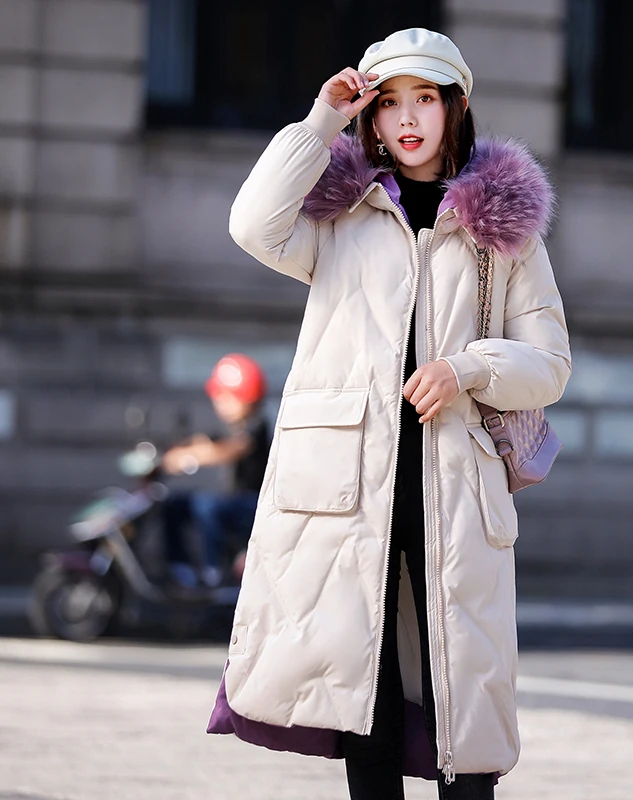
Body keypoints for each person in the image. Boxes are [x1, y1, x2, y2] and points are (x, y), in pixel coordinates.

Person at [207, 27, 571, 800]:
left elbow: (550, 363)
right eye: (390, 102)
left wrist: (467, 368)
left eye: (425, 99)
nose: (407, 118)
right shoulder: (339, 216)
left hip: (456, 489)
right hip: (349, 488)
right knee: (361, 702)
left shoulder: (502, 227)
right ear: (370, 116)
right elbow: (251, 225)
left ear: (455, 107)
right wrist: (320, 123)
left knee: (462, 703)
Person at [162, 353, 271, 588]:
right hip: (231, 502)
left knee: (207, 506)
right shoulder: (230, 426)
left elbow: (230, 450)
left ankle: (213, 571)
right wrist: (172, 454)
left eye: (227, 397)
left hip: (254, 504)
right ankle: (180, 568)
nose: (220, 403)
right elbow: (206, 442)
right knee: (174, 504)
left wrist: (190, 457)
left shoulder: (257, 425)